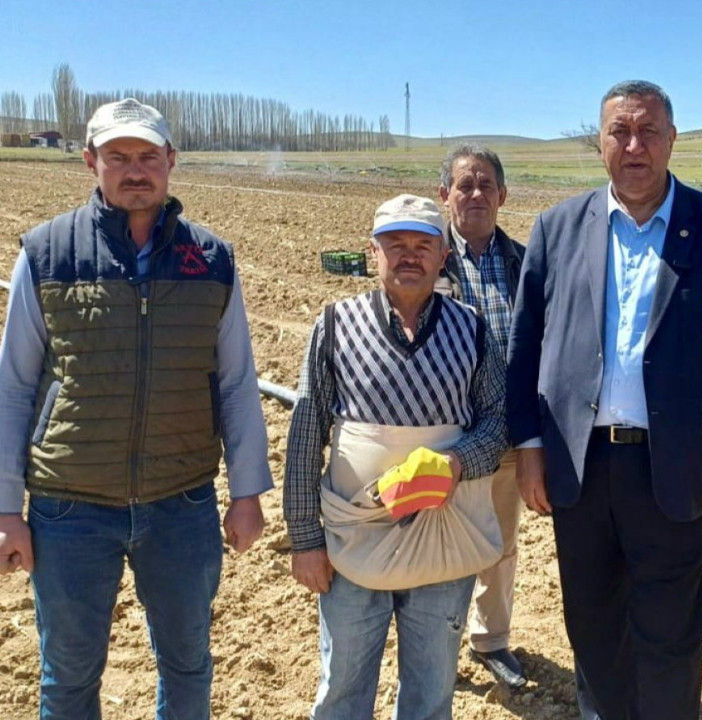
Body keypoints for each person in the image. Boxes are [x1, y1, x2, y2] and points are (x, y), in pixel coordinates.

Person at [505, 80, 702, 719]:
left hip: (677, 466)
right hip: (580, 466)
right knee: (592, 624)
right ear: (599, 143)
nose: (634, 146)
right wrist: (530, 448)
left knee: (671, 633)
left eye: (648, 132)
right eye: (620, 132)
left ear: (672, 140)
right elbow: (525, 347)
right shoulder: (557, 228)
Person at [0, 97, 271, 718]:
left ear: (171, 162)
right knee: (67, 676)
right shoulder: (45, 254)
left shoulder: (212, 260)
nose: (135, 170)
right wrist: (5, 507)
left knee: (188, 664)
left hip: (182, 503)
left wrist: (248, 492)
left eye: (148, 155)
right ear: (90, 161)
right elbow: (13, 386)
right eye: (118, 157)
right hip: (69, 508)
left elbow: (235, 383)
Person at [284, 193, 506, 719]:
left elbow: (498, 421)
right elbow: (305, 431)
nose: (410, 255)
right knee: (342, 690)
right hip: (353, 541)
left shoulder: (472, 329)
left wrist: (454, 464)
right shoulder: (335, 325)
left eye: (423, 244)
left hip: (443, 538)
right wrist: (305, 538)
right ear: (373, 251)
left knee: (431, 694)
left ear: (443, 255)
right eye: (395, 244)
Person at [434, 143, 528, 688]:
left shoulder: (523, 261)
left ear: (502, 196)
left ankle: (491, 638)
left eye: (486, 185)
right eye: (465, 185)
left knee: (499, 541)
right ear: (444, 194)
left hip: (506, 433)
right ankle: (434, 644)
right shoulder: (427, 255)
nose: (475, 195)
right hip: (443, 431)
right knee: (437, 543)